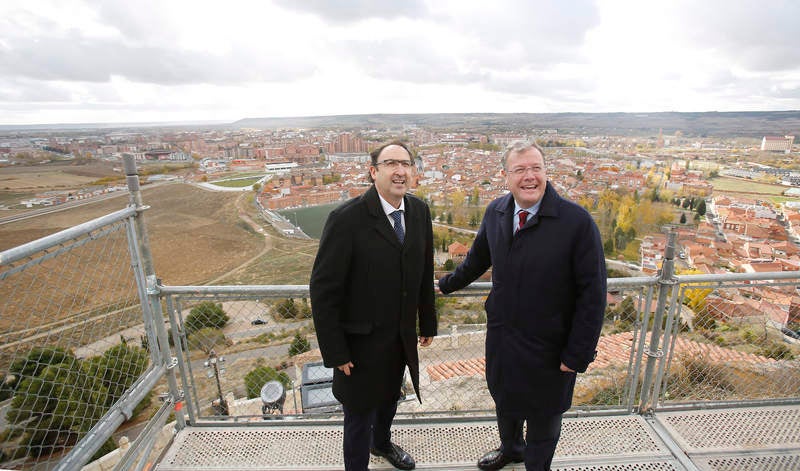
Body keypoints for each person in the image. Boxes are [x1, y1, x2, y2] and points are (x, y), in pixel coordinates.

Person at [437, 141, 606, 470]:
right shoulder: (497, 212)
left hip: (552, 345)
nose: (529, 177)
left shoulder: (576, 223)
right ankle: (511, 449)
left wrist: (577, 354)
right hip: (504, 335)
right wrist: (445, 285)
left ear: (545, 172)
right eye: (520, 170)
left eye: (535, 168)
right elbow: (476, 260)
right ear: (506, 175)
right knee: (505, 400)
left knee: (544, 420)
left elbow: (593, 295)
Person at [310, 140, 437, 471]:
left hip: (400, 336)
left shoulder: (420, 212)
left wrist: (428, 322)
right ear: (373, 172)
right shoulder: (346, 219)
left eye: (406, 164)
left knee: (390, 400)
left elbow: (424, 271)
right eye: (390, 163)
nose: (400, 171)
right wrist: (336, 351)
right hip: (359, 343)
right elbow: (324, 290)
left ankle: (381, 445)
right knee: (357, 415)